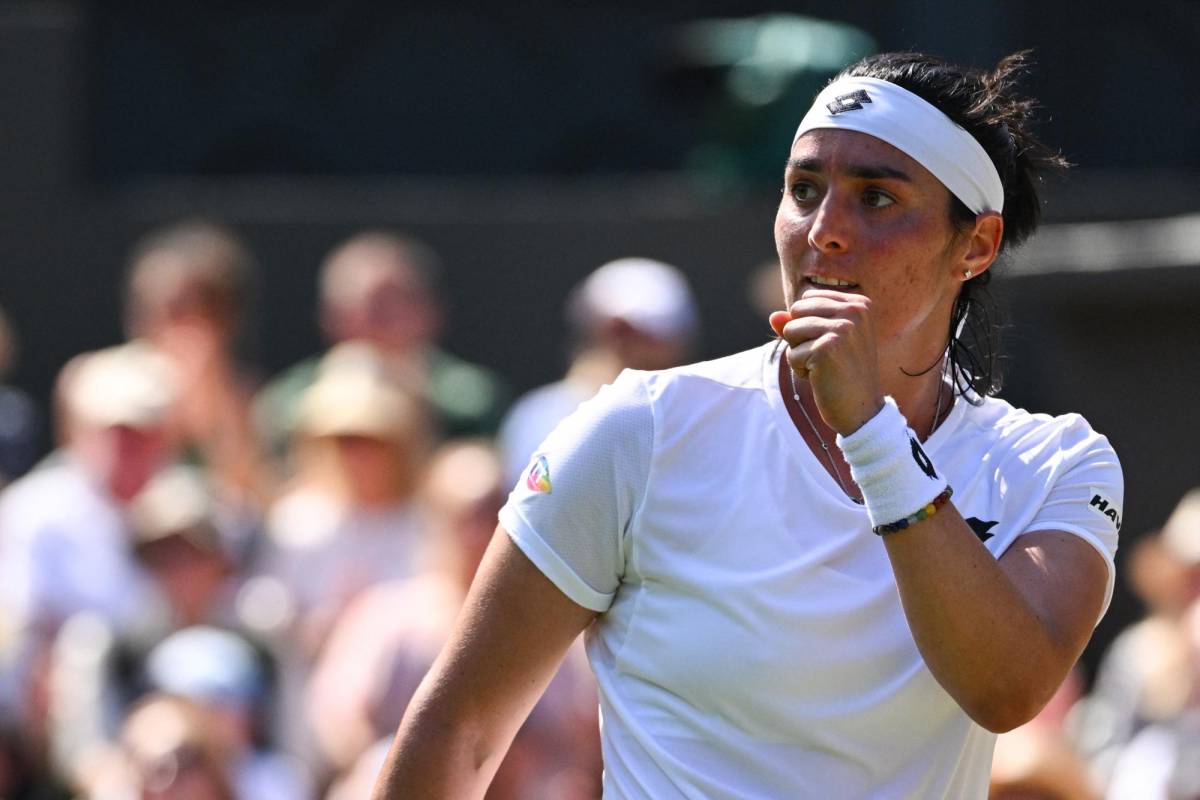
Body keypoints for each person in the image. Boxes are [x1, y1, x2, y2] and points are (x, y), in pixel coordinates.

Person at [371, 51, 1123, 798]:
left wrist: (870, 430)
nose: (823, 230)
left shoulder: (1057, 464)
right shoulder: (639, 431)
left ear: (977, 245)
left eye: (877, 198)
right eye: (804, 189)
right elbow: (458, 730)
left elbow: (1007, 689)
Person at [253, 230, 510, 461]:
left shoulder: (470, 396)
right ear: (329, 316)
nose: (381, 319)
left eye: (396, 302)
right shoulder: (291, 398)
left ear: (430, 310)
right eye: (364, 306)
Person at [497, 257, 699, 487]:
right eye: (623, 331)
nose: (627, 344)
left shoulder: (694, 418)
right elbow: (536, 501)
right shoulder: (541, 416)